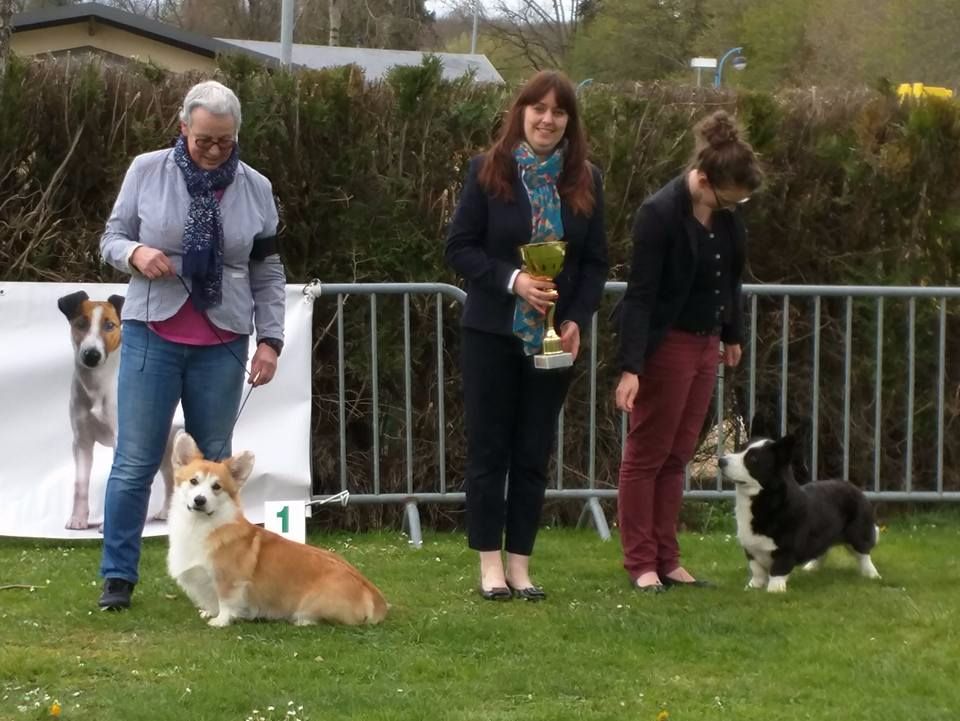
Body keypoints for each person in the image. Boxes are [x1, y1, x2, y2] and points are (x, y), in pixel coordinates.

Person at [96, 80, 286, 610]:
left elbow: (267, 270)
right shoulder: (146, 170)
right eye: (204, 139)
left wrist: (270, 339)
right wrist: (135, 253)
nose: (213, 151)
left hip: (222, 343)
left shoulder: (257, 188)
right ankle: (117, 577)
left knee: (215, 470)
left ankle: (213, 579)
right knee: (134, 462)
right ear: (184, 127)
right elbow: (110, 237)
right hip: (150, 333)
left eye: (224, 142)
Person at [446, 70, 608, 601]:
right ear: (520, 112)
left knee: (533, 453)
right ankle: (490, 566)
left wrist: (575, 318)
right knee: (490, 451)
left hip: (552, 341)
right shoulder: (486, 172)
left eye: (558, 112)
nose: (547, 119)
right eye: (538, 108)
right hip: (492, 332)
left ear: (570, 122)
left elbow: (593, 264)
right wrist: (514, 281)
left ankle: (521, 566)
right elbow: (461, 248)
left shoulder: (587, 180)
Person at [615, 110, 762, 593]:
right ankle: (641, 562)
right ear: (703, 180)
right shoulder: (658, 214)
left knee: (679, 454)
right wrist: (632, 367)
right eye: (728, 197)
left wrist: (732, 334)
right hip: (667, 345)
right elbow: (639, 295)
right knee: (647, 454)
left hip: (705, 346)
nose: (732, 206)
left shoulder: (727, 217)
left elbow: (731, 279)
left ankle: (668, 556)